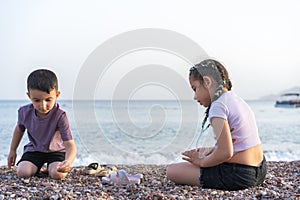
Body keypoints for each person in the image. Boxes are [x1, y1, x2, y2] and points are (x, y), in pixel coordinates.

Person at [166, 59, 267, 190]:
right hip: (260, 169)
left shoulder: (218, 106)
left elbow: (226, 153)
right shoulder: (235, 99)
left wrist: (201, 162)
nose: (195, 97)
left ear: (207, 82)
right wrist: (211, 151)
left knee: (172, 171)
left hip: (239, 175)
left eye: (195, 88)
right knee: (201, 161)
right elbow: (238, 144)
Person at [7, 69, 76, 180]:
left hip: (56, 152)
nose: (43, 105)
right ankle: (38, 167)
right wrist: (12, 150)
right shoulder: (24, 112)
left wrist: (68, 161)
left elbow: (70, 145)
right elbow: (19, 129)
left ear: (57, 95)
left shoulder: (60, 115)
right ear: (29, 96)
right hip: (34, 150)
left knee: (57, 174)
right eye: (37, 100)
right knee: (22, 172)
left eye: (48, 100)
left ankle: (50, 168)